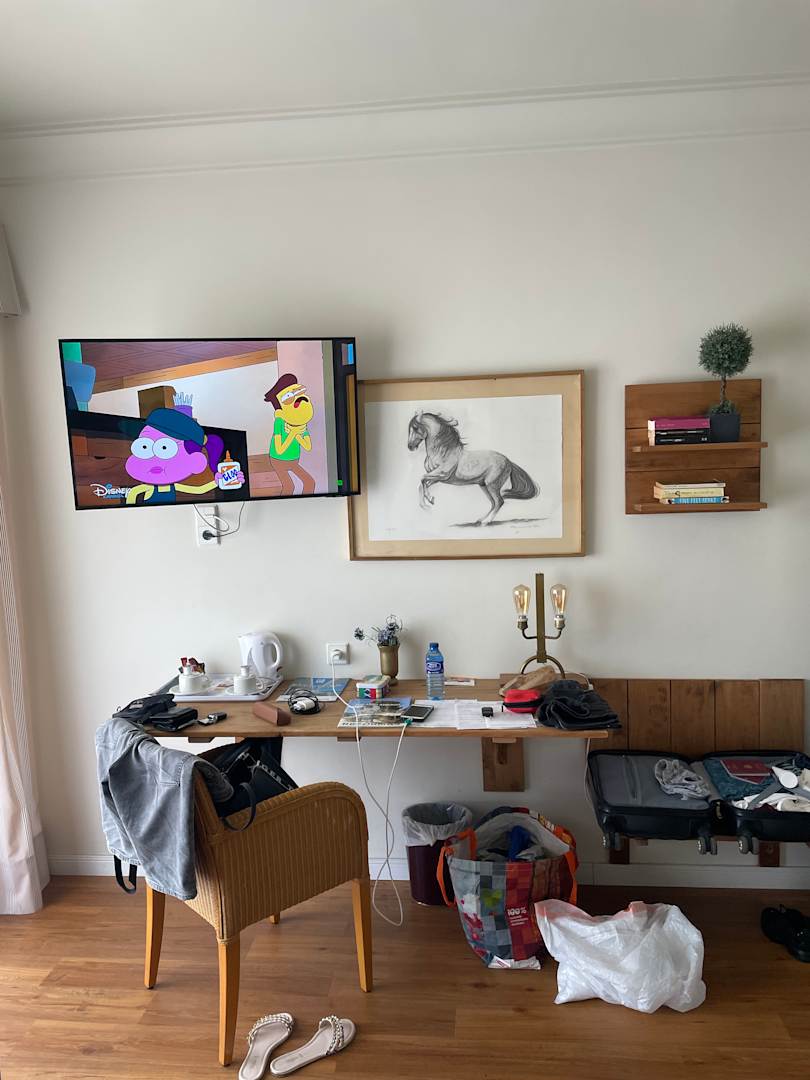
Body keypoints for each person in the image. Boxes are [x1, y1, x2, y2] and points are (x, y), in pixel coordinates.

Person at [120, 407, 240, 505]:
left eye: (165, 448)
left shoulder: (173, 486)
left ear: (196, 461)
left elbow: (199, 490)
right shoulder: (146, 488)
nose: (155, 460)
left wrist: (220, 481)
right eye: (144, 447)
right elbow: (132, 495)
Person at [264, 373, 316, 495]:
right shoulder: (279, 422)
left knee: (310, 482)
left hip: (293, 460)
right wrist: (293, 433)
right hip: (278, 460)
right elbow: (279, 450)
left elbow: (308, 446)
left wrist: (297, 433)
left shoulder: (301, 422)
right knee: (289, 487)